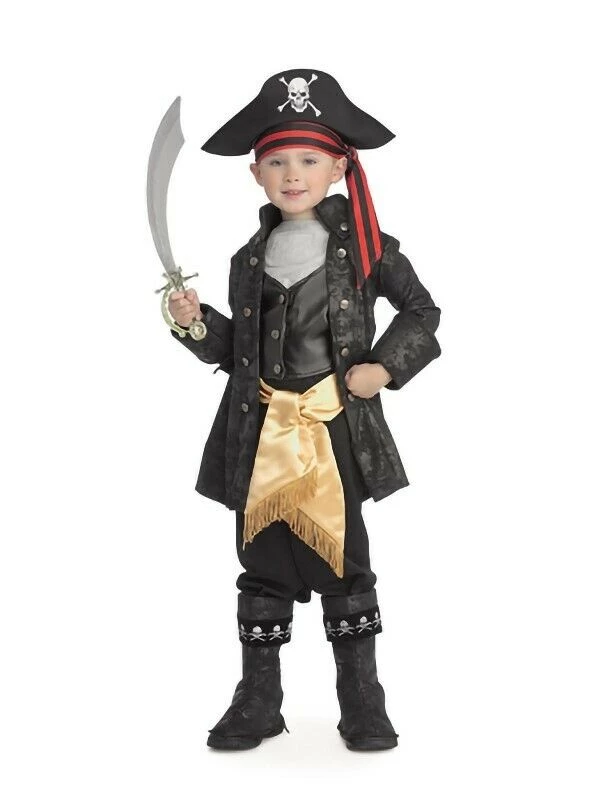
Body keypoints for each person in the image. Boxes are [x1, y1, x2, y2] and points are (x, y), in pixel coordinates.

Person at [166, 69, 442, 752]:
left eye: (309, 161)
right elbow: (238, 353)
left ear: (339, 168)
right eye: (278, 162)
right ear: (255, 174)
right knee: (261, 557)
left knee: (343, 556)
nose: (293, 175)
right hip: (261, 429)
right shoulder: (248, 259)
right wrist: (196, 323)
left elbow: (421, 311)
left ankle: (363, 701)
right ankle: (258, 700)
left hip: (332, 426)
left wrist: (384, 366)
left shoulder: (368, 247)